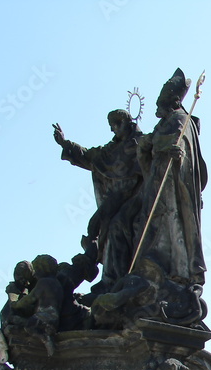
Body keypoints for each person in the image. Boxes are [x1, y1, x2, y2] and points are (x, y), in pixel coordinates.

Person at [53, 109, 144, 292]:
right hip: (116, 197)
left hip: (136, 197)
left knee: (115, 228)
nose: (113, 130)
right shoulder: (110, 150)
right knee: (96, 226)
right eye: (111, 126)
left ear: (127, 122)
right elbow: (89, 156)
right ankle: (96, 264)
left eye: (116, 125)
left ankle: (111, 276)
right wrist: (66, 144)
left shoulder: (140, 144)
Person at [135, 68, 208, 286]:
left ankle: (180, 270)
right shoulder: (165, 122)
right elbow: (152, 146)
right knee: (153, 224)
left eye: (162, 102)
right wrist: (146, 147)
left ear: (174, 101)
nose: (158, 108)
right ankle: (157, 269)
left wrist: (162, 147)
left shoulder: (180, 119)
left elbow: (179, 144)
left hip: (172, 184)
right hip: (158, 181)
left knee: (173, 220)